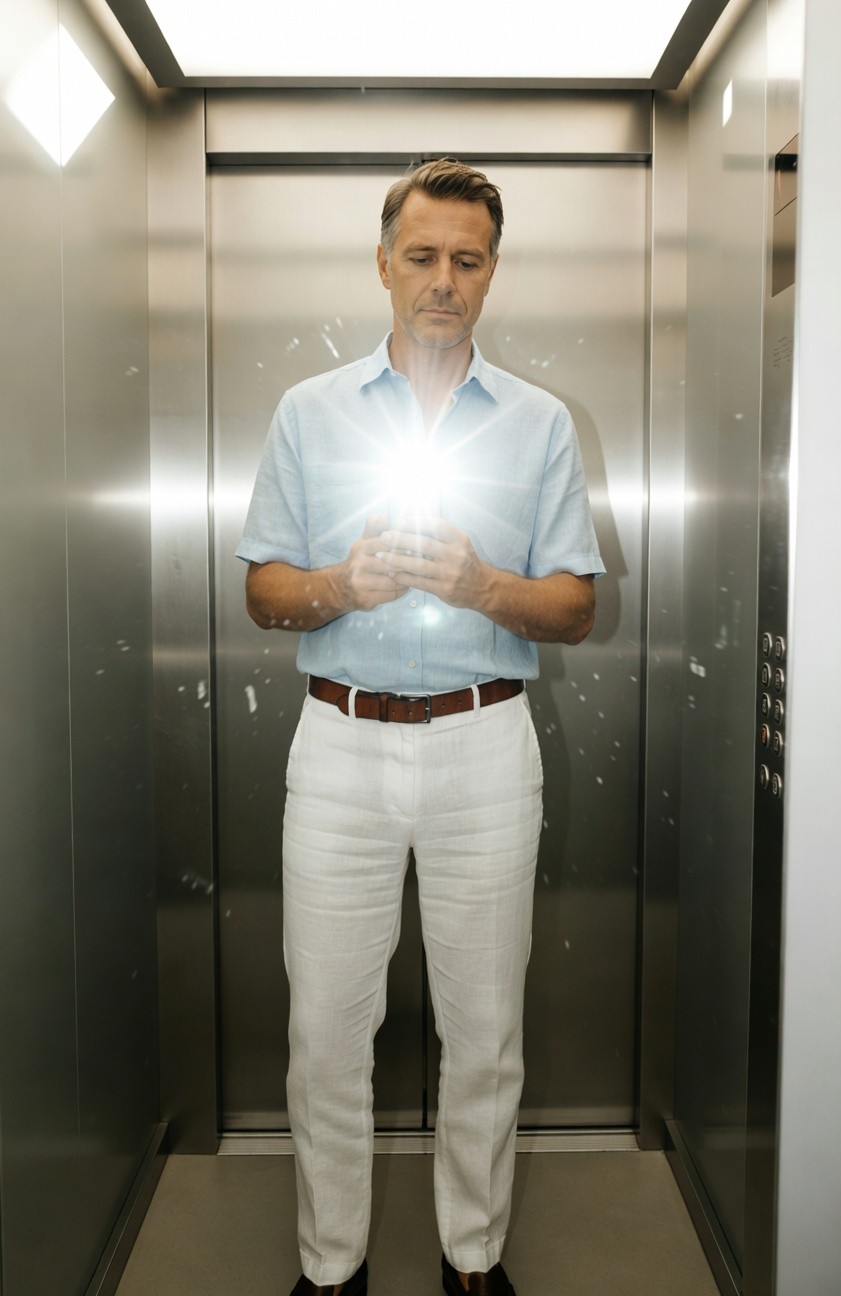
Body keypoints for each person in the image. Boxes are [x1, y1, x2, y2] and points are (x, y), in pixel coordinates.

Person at [237, 158, 604, 1296]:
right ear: (384, 262)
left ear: (492, 272)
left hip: (486, 748)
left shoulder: (542, 423)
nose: (443, 280)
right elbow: (262, 591)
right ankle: (329, 1267)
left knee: (484, 1031)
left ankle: (473, 1258)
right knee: (327, 1035)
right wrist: (343, 584)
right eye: (422, 255)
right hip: (339, 747)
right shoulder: (309, 412)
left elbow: (577, 607)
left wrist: (483, 584)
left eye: (468, 259)